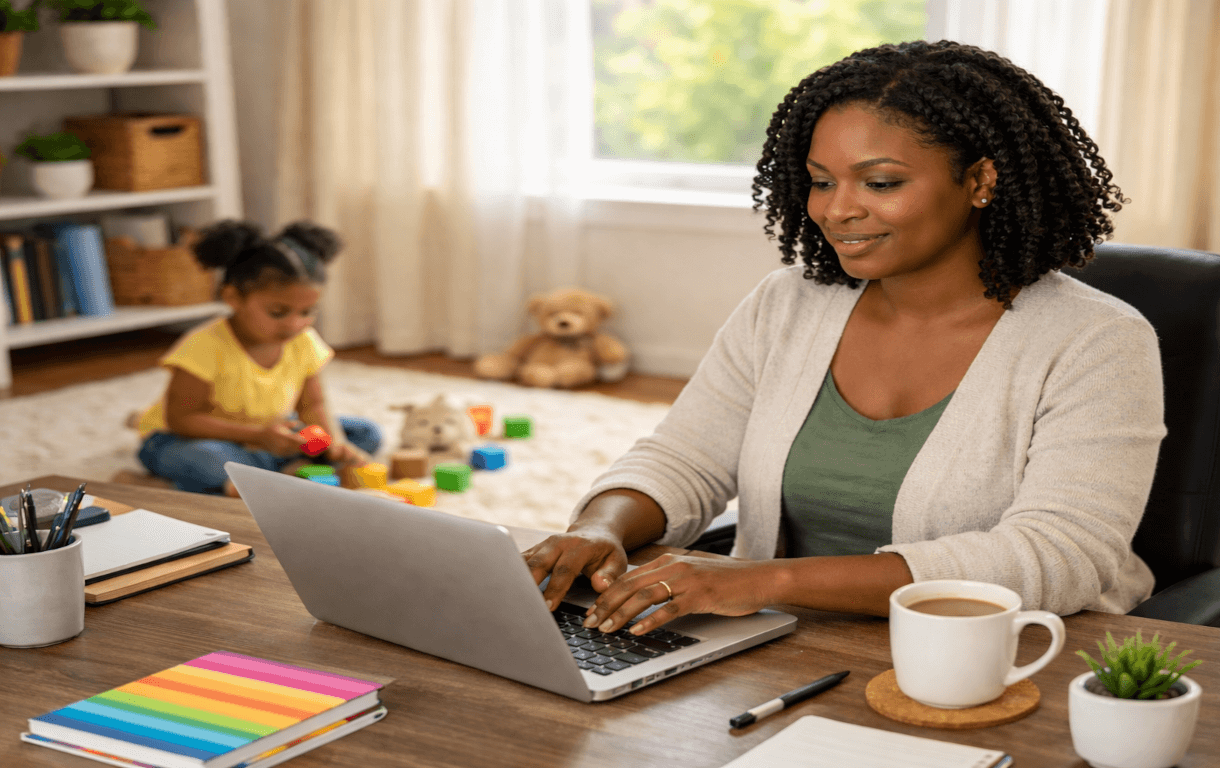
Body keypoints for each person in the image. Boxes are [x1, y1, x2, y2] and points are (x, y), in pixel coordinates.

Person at [523, 40, 1165, 636]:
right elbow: (685, 457)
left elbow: (1060, 555)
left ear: (980, 182)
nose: (836, 209)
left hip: (992, 655)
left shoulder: (1097, 341)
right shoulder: (788, 305)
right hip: (773, 644)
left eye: (880, 183)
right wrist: (599, 527)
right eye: (823, 181)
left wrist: (761, 580)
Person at [135, 220, 381, 497]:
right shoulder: (203, 347)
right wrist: (257, 437)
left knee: (365, 434)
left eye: (307, 312)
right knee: (208, 460)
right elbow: (183, 419)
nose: (294, 325)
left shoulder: (303, 341)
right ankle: (263, 472)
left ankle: (265, 472)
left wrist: (334, 441)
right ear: (233, 297)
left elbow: (313, 404)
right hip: (188, 438)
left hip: (269, 433)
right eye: (278, 312)